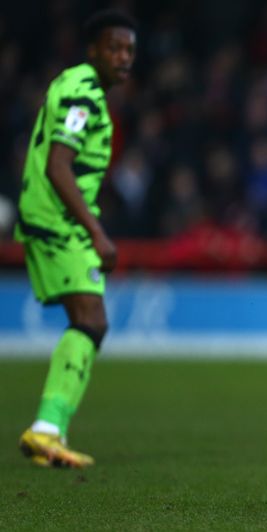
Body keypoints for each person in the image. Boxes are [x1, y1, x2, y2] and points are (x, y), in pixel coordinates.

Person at [16, 10, 137, 469]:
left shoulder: (78, 87)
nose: (123, 58)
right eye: (114, 48)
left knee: (89, 320)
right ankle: (47, 429)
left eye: (129, 50)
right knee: (91, 318)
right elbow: (57, 165)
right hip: (58, 221)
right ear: (93, 51)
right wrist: (97, 232)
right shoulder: (83, 92)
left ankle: (51, 431)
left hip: (51, 216)